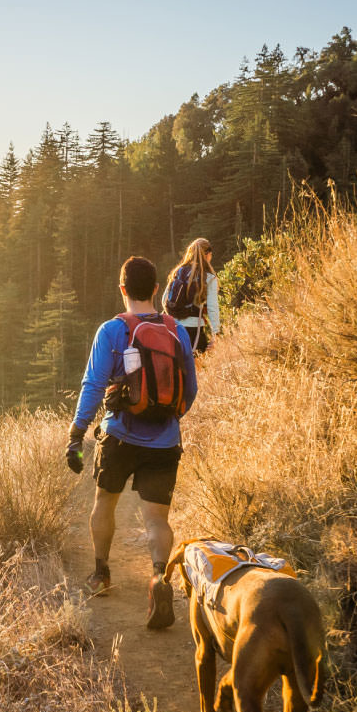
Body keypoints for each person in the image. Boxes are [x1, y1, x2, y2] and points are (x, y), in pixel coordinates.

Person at [64, 256, 198, 629]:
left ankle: (101, 573)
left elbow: (93, 386)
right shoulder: (177, 330)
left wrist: (76, 434)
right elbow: (191, 389)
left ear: (122, 289)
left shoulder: (112, 330)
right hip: (165, 441)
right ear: (156, 289)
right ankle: (158, 578)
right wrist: (167, 416)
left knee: (104, 502)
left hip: (119, 437)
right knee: (157, 518)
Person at [162, 237, 220, 353]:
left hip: (174, 328)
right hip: (195, 329)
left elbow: (164, 300)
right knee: (196, 369)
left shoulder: (178, 272)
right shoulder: (209, 277)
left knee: (176, 368)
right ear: (208, 254)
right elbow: (212, 308)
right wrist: (216, 334)